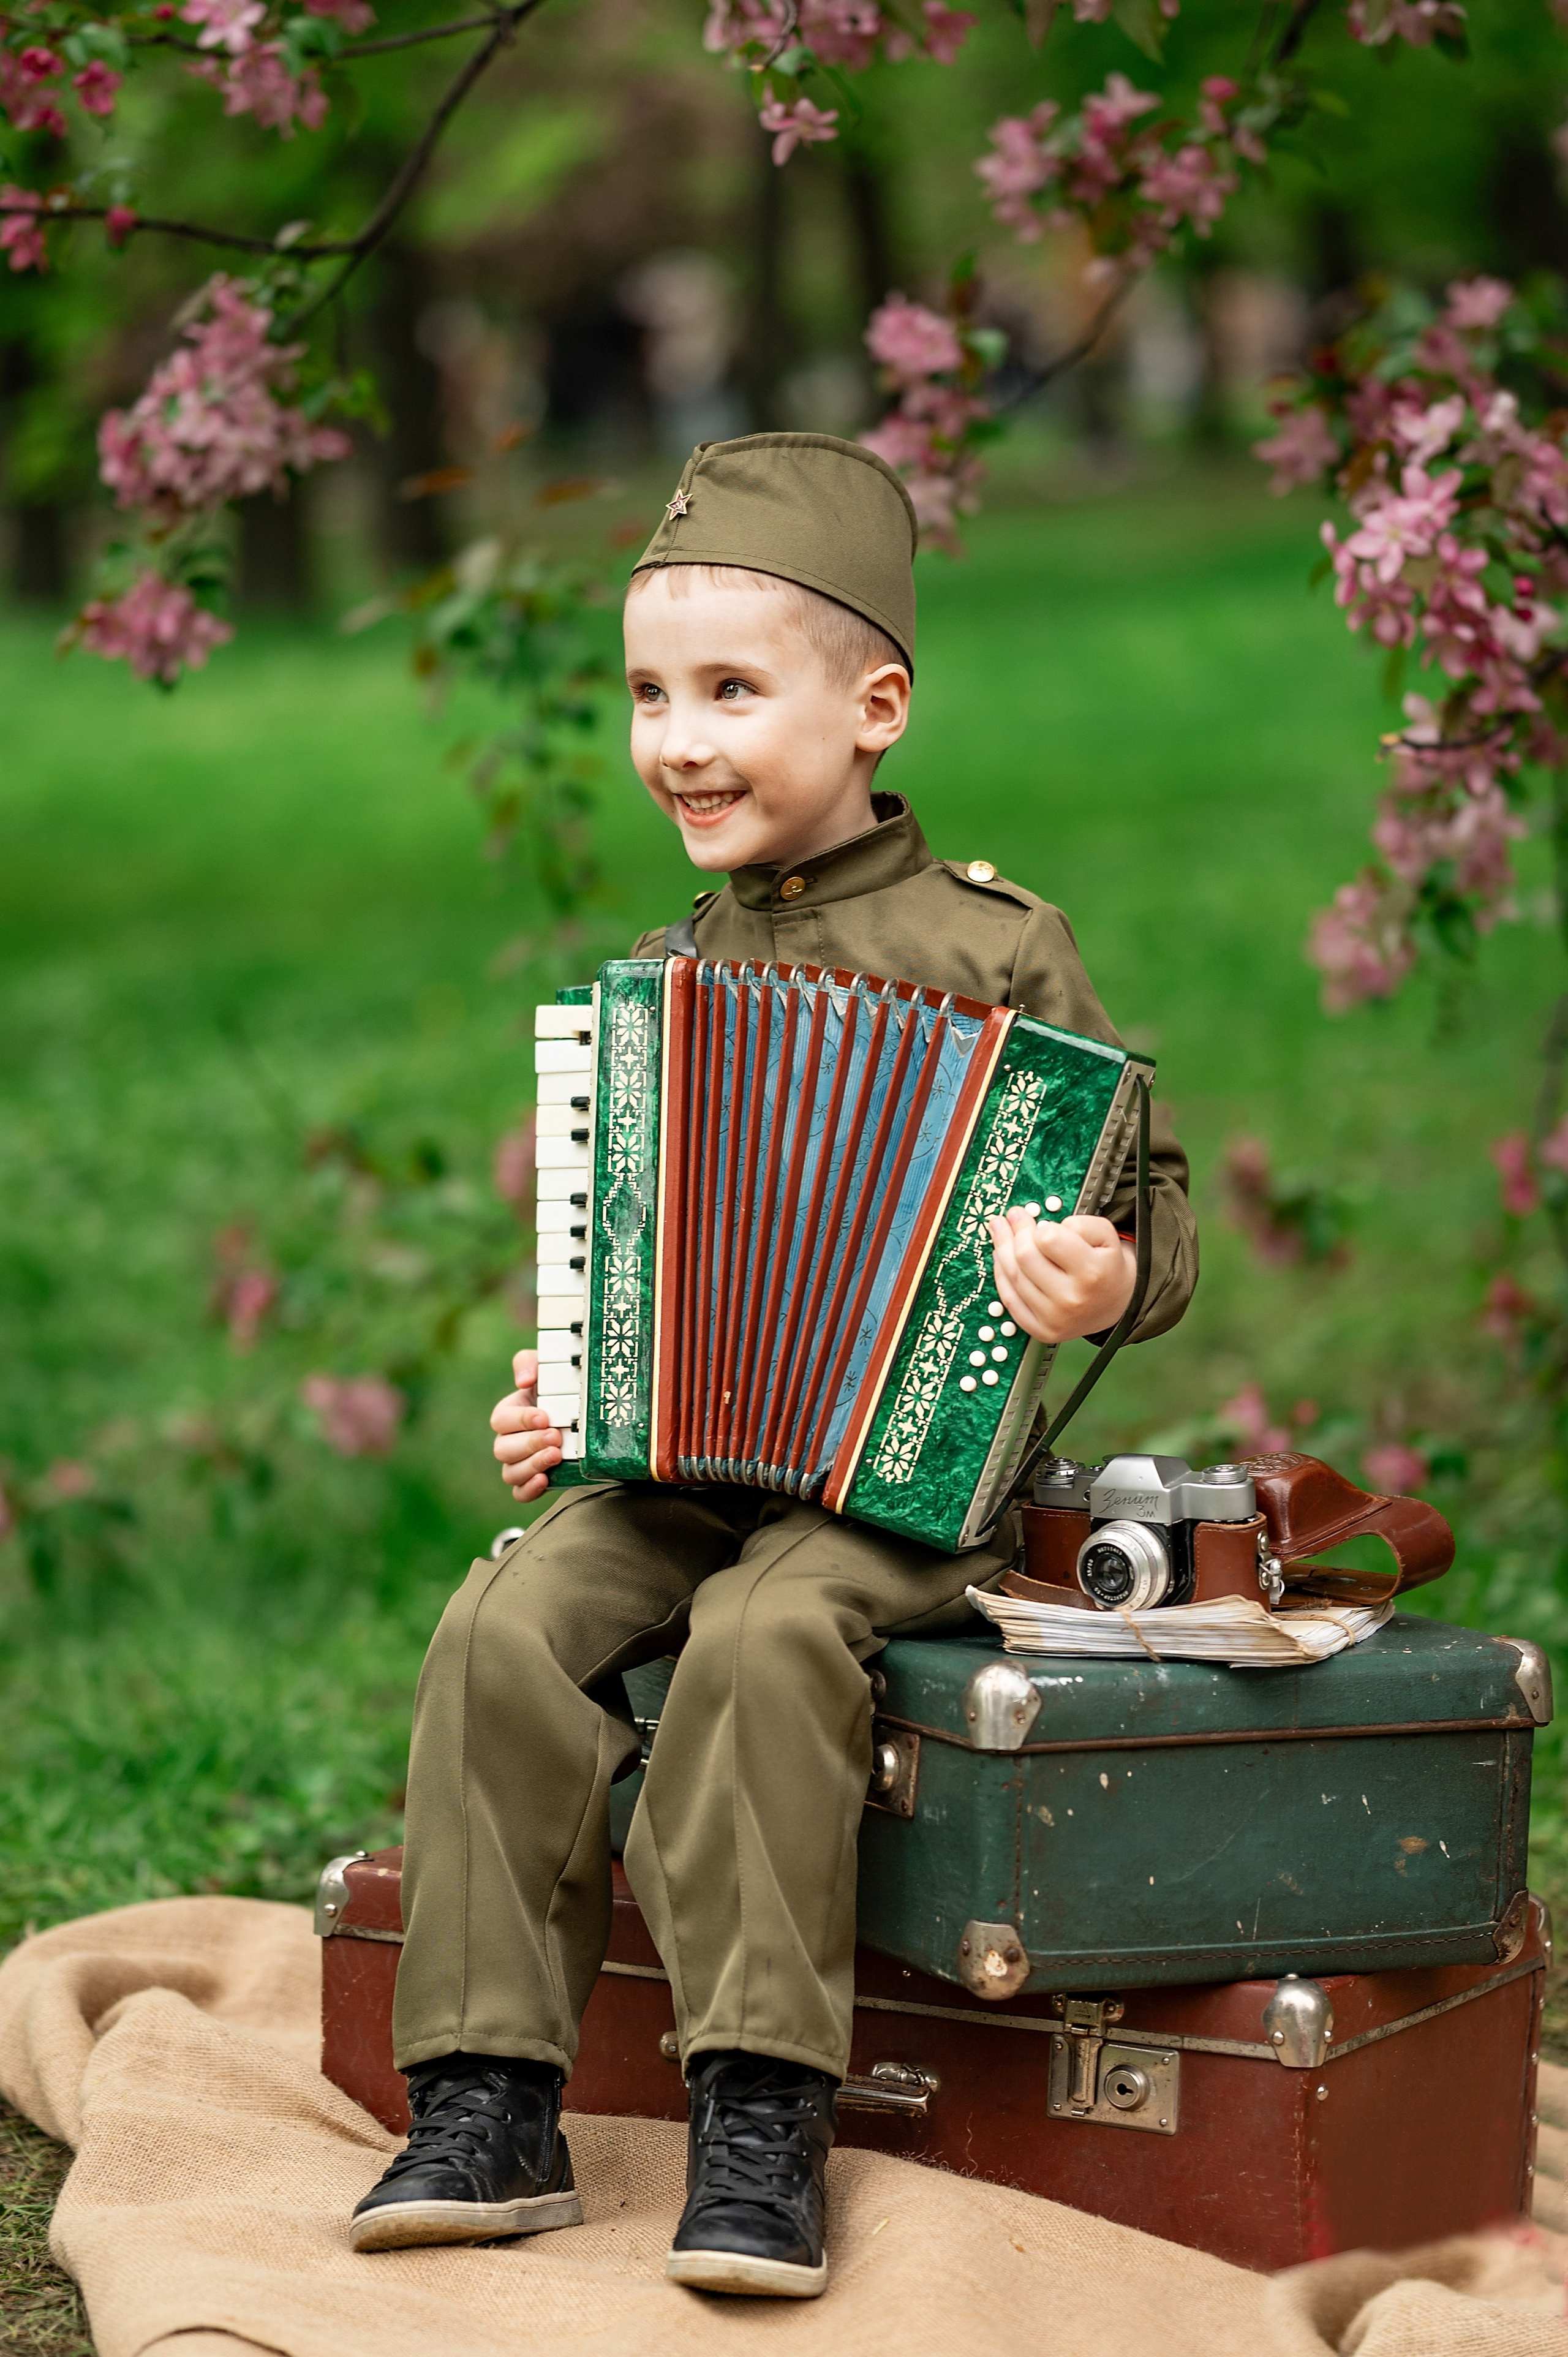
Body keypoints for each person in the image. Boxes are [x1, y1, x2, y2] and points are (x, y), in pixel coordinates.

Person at [348, 432, 1199, 2296]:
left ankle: (760, 2108)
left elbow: (1151, 1218)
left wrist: (1095, 1277)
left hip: (908, 1488)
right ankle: (488, 2095)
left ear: (875, 706)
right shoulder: (662, 982)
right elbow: (633, 1284)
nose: (680, 740)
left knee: (761, 1632)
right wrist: (567, 1399)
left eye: (732, 690)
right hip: (681, 1471)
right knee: (506, 1621)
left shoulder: (999, 949)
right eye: (650, 695)